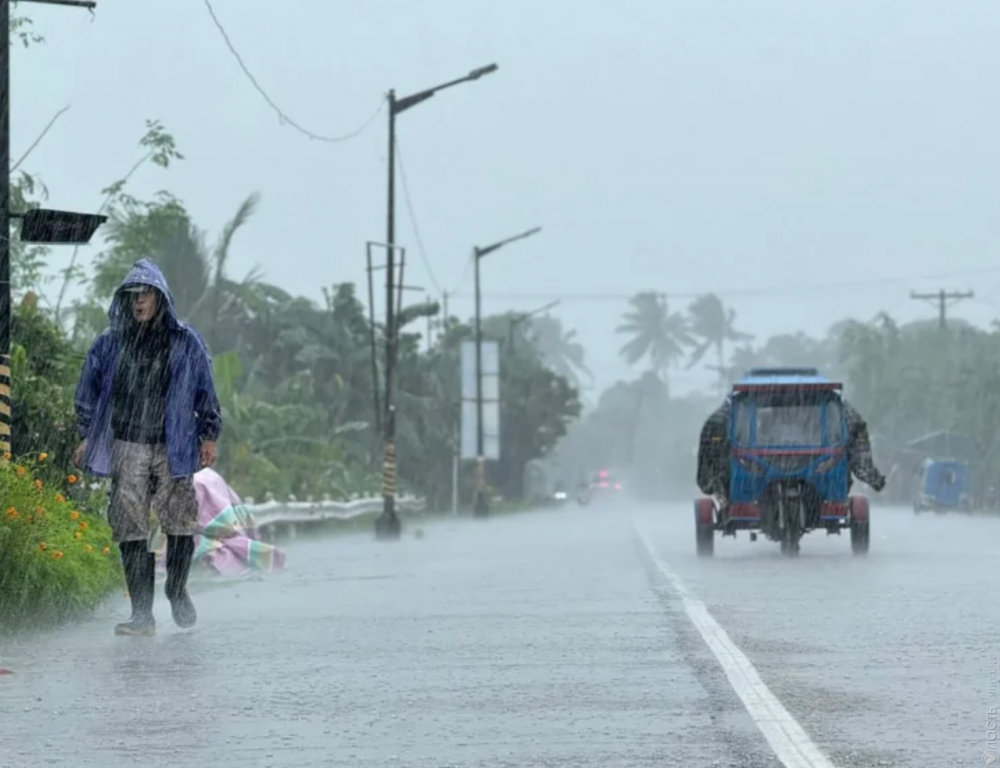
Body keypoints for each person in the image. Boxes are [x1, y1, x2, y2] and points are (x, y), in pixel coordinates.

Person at [74, 259, 223, 637]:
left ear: (160, 298)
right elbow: (88, 391)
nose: (139, 301)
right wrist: (86, 434)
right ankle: (142, 614)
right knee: (130, 526)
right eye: (133, 295)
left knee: (179, 520)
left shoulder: (184, 341)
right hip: (127, 442)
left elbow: (205, 388)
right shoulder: (110, 344)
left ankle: (176, 589)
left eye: (146, 294)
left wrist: (208, 433)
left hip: (173, 443)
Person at [696, 397, 886, 499]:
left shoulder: (840, 418)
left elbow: (859, 454)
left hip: (767, 464)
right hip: (804, 462)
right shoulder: (724, 423)